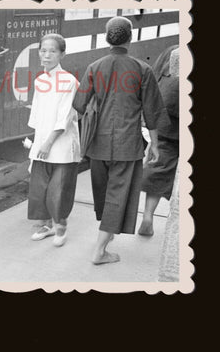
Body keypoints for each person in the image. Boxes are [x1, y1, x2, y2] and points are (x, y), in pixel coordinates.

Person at [72, 17, 165, 265]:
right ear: (130, 38)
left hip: (98, 145)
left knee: (104, 193)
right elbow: (152, 112)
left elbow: (79, 105)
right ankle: (100, 251)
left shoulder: (94, 67)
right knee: (118, 195)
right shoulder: (142, 69)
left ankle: (107, 233)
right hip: (127, 144)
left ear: (106, 38)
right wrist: (154, 144)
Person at [27, 34, 80, 247]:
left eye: (52, 51)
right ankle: (47, 225)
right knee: (40, 187)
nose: (46, 55)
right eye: (43, 50)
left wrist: (48, 142)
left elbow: (65, 116)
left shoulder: (69, 81)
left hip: (62, 143)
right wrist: (36, 141)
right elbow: (37, 114)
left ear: (62, 54)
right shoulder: (40, 80)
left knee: (59, 188)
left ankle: (61, 228)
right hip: (42, 141)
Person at [138, 46, 179, 236]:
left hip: (165, 119)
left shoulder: (172, 50)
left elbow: (153, 80)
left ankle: (147, 216)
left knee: (159, 167)